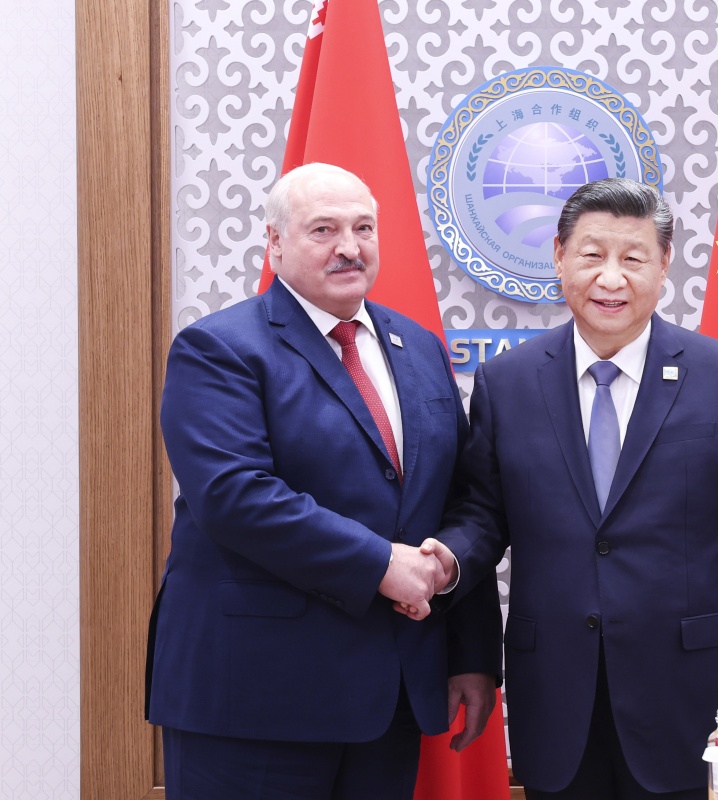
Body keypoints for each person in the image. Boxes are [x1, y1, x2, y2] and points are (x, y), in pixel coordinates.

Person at [419, 178, 718, 799]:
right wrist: (449, 563)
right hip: (556, 692)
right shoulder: (507, 382)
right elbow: (483, 516)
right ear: (558, 257)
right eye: (592, 255)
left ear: (664, 264)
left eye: (633, 258)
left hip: (694, 696)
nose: (611, 278)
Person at [145, 162, 502, 800]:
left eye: (363, 228)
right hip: (254, 700)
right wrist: (382, 565)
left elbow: (461, 497)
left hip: (390, 698)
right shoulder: (218, 349)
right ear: (275, 243)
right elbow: (236, 497)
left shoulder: (419, 347)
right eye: (323, 229)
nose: (349, 247)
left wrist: (469, 649)